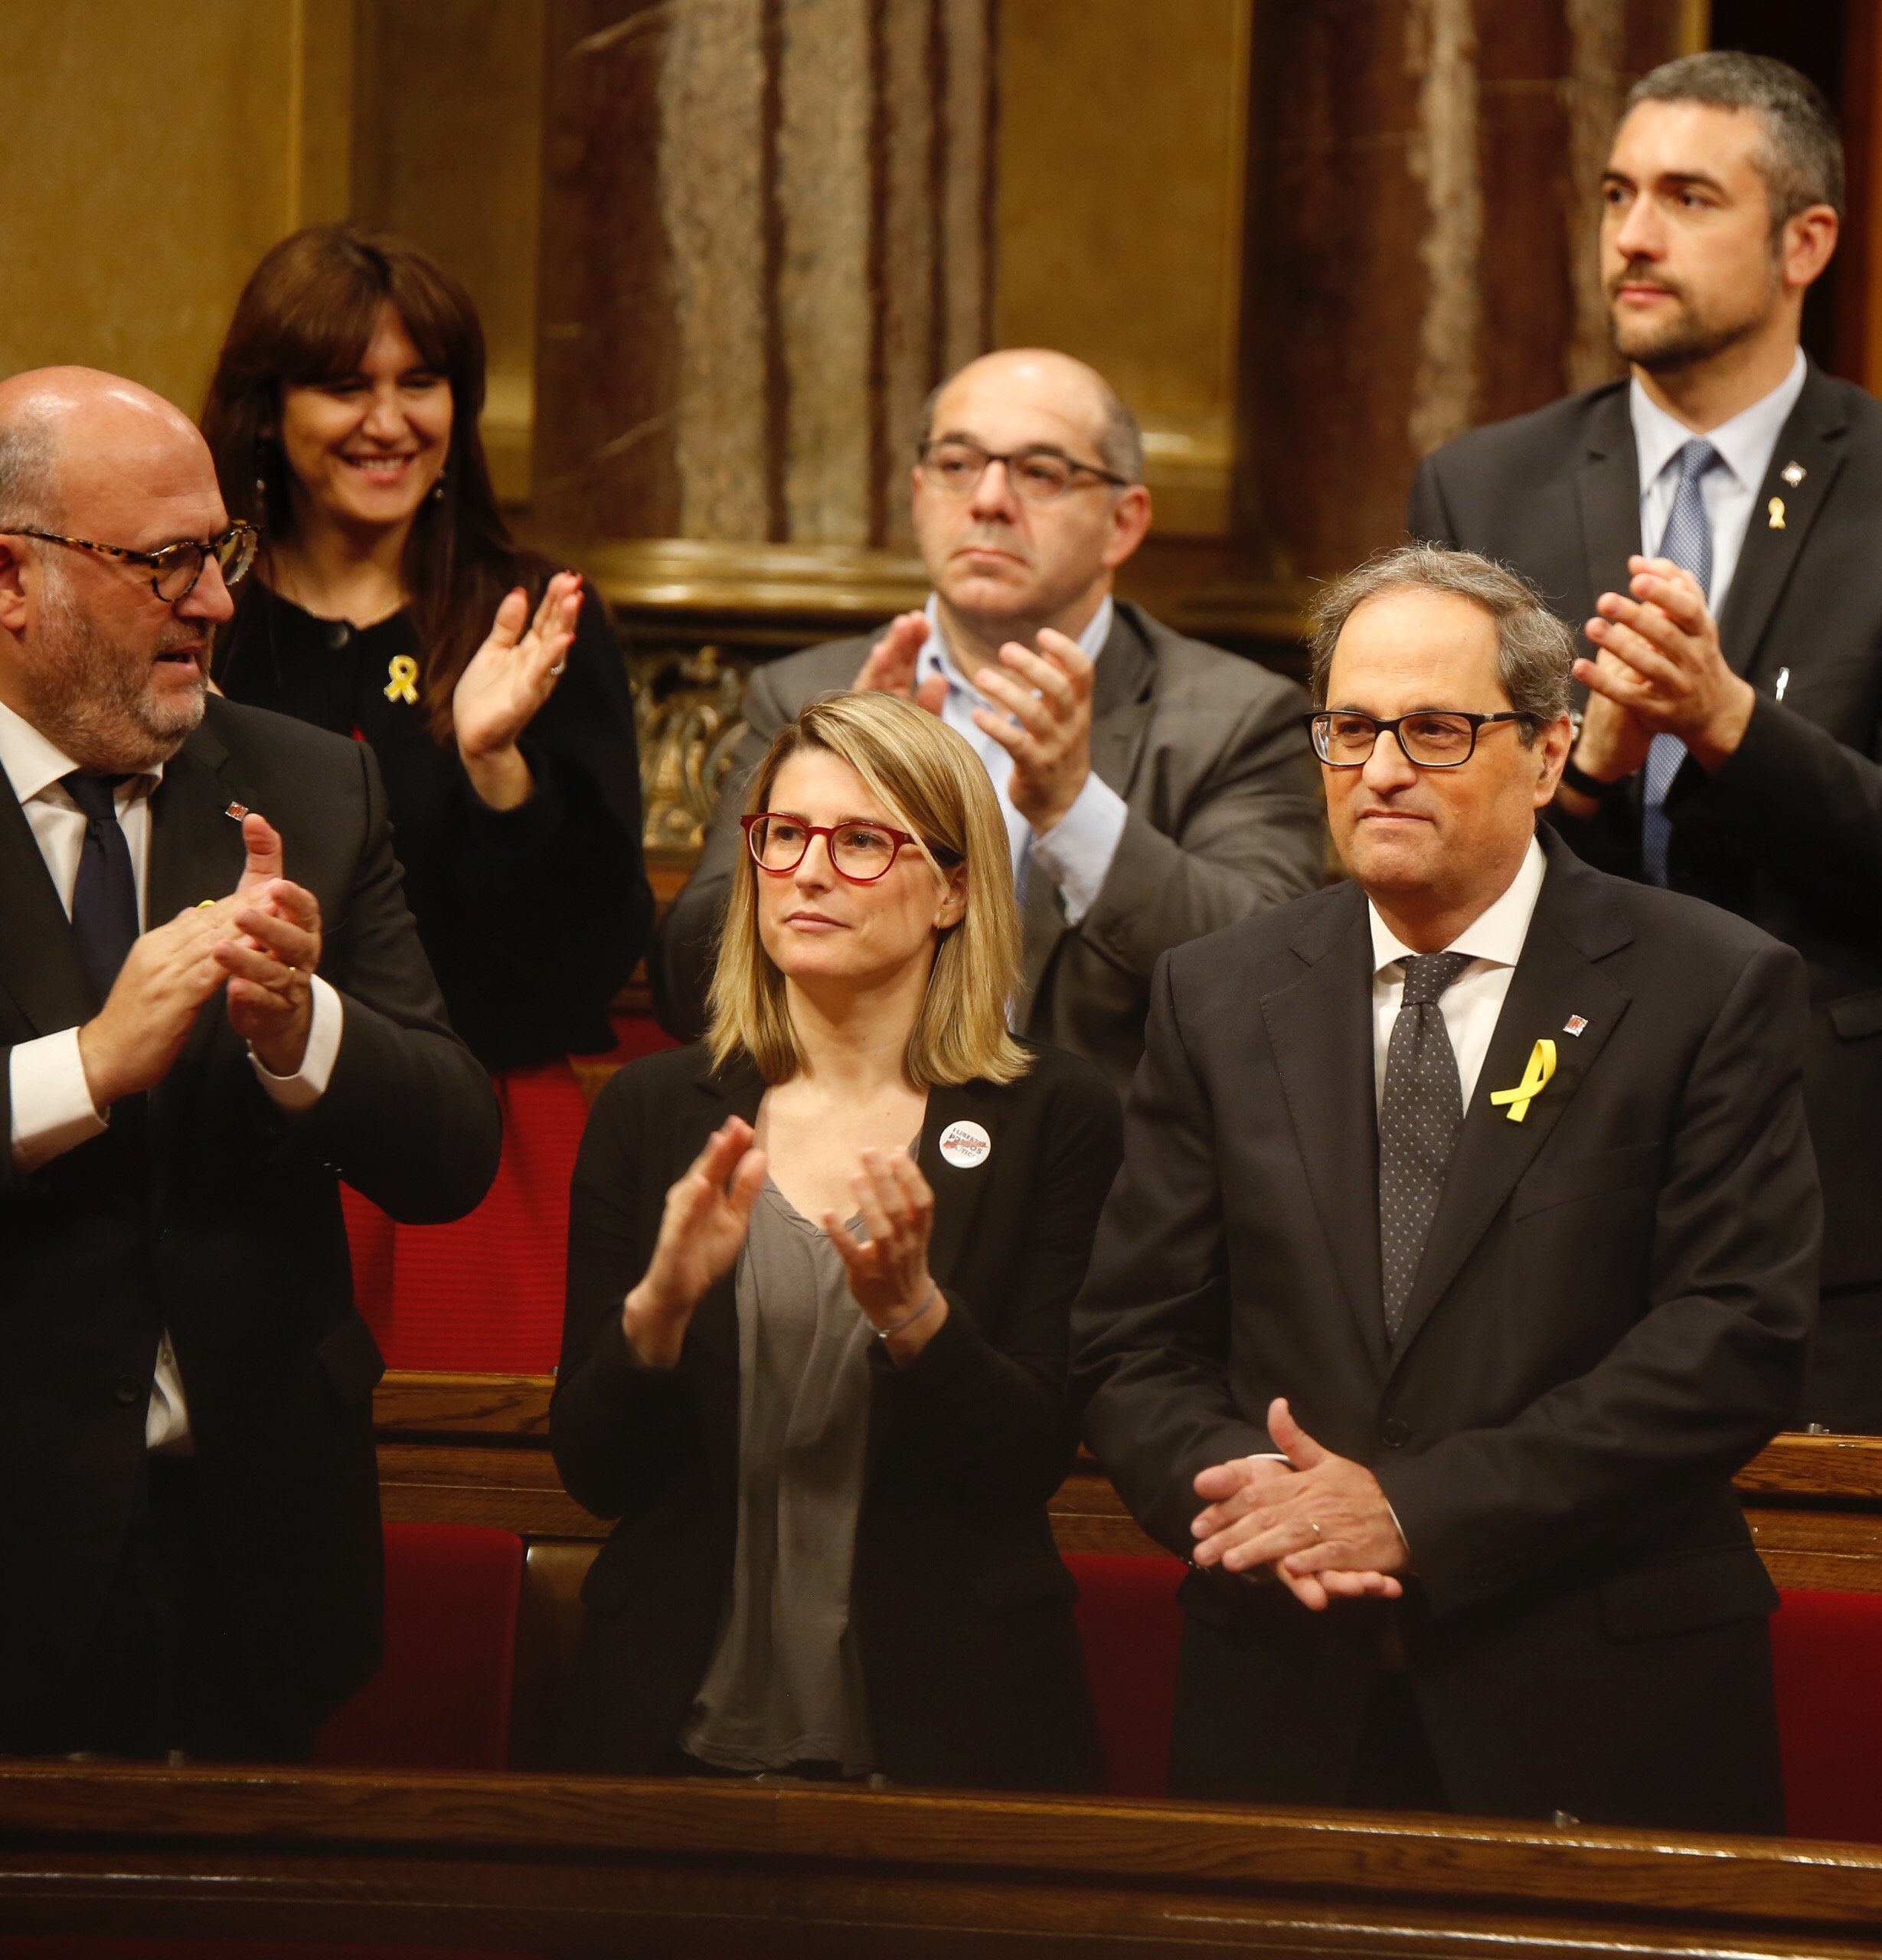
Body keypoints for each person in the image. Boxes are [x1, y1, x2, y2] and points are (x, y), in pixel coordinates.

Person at [1073, 545, 1818, 1831]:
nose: (1381, 769)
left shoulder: (1708, 986)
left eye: (1433, 729)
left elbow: (1731, 1342)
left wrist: (1414, 1509)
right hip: (1288, 1683)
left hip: (1596, 1693)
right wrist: (1265, 1500)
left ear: (1547, 750)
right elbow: (1134, 1342)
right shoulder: (1218, 992)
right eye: (1350, 728)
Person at [1408, 51, 1882, 1439]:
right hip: (1540, 1160)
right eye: (1621, 193)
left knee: (1841, 1627)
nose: (1633, 235)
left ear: (1805, 240)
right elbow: (1424, 837)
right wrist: (1595, 774)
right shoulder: (1482, 485)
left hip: (1840, 1194)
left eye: (1689, 197)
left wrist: (1733, 723)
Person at [0, 368, 498, 1760]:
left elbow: (455, 1147)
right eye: (162, 563)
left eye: (216, 556)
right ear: (8, 579)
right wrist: (84, 1069)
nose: (215, 602)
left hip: (252, 1576)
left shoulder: (311, 786)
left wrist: (303, 1033)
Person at [554, 690, 1115, 1786]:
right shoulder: (654, 1112)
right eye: (786, 836)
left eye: (862, 843)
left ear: (953, 890)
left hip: (952, 1725)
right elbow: (595, 1471)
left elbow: (1027, 1462)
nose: (808, 873)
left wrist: (916, 1315)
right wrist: (658, 1314)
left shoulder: (1058, 1116)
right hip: (669, 1723)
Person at [201, 226, 652, 1374]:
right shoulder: (201, 611)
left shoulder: (535, 616)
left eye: (422, 383)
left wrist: (501, 768)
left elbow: (590, 957)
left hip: (485, 1148)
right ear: (270, 408)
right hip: (231, 1130)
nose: (389, 422)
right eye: (345, 386)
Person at [657, 348, 1323, 1088]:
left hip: (1107, 1176)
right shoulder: (803, 694)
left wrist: (1075, 813)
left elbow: (1279, 982)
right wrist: (848, 787)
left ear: (1123, 523)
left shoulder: (1235, 716)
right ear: (918, 493)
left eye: (1041, 473)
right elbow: (687, 986)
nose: (989, 500)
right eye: (957, 464)